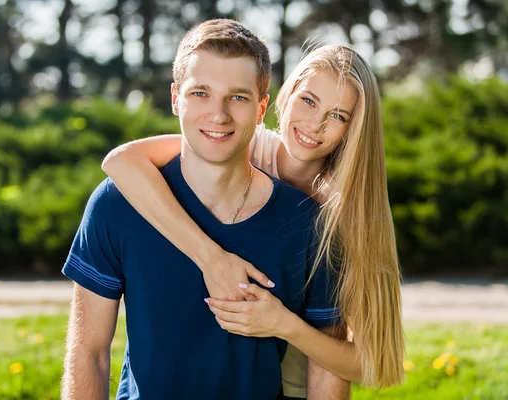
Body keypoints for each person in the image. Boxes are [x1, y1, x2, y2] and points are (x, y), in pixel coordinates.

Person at [101, 44, 405, 398]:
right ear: (283, 96)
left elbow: (371, 364)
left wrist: (284, 324)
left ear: (353, 129)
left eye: (338, 116)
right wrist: (211, 259)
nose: (315, 124)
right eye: (308, 101)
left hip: (293, 380)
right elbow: (121, 161)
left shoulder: (341, 213)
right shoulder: (240, 144)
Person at [61, 19, 345, 400]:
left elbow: (328, 368)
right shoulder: (117, 204)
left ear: (262, 108)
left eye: (238, 97)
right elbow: (88, 351)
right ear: (176, 97)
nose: (219, 114)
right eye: (201, 93)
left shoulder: (307, 223)